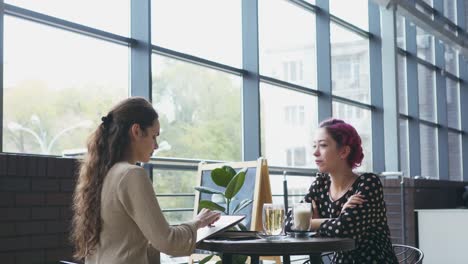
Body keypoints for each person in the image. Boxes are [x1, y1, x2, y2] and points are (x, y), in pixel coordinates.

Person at [71, 97, 220, 264]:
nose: (156, 145)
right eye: (154, 136)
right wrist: (197, 222)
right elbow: (168, 241)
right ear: (136, 131)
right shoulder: (132, 175)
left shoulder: (100, 174)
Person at [304, 118, 398, 263]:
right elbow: (290, 222)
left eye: (322, 145)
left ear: (344, 151)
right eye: (314, 145)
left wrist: (313, 222)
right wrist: (337, 221)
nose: (315, 153)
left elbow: (346, 229)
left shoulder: (368, 184)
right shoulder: (320, 185)